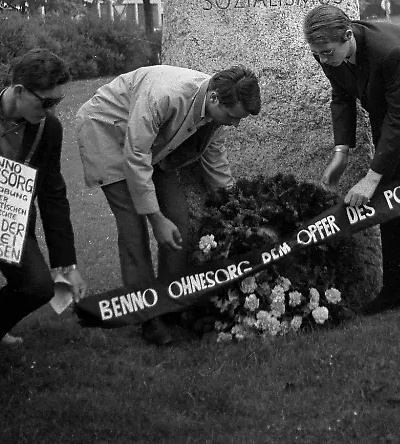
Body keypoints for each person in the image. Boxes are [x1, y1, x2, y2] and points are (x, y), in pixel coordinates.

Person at [75, 64, 261, 345]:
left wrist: (236, 207)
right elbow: (135, 154)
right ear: (214, 99)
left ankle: (170, 301)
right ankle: (147, 317)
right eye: (232, 116)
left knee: (179, 217)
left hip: (150, 146)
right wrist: (155, 218)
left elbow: (215, 162)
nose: (235, 124)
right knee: (133, 230)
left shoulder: (218, 114)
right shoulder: (164, 96)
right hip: (107, 131)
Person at [303, 5, 400, 328]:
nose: (323, 60)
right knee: (389, 191)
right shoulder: (330, 52)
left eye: (327, 53)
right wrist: (341, 152)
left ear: (348, 37)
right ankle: (397, 287)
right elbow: (342, 96)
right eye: (317, 54)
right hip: (388, 109)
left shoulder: (389, 51)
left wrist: (370, 179)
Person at [0, 49, 87, 346]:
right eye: (46, 102)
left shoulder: (49, 129)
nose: (51, 110)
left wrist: (66, 265)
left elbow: (53, 194)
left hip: (9, 219)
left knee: (37, 287)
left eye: (56, 102)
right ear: (19, 91)